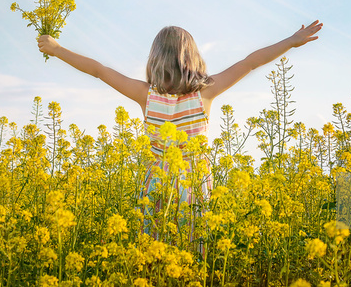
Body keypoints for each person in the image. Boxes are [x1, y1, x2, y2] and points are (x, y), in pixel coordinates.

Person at [37, 20, 322, 250]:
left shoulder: (145, 96)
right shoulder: (206, 92)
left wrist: (58, 49)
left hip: (156, 186)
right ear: (193, 57)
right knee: (190, 253)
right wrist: (291, 42)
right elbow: (250, 63)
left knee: (152, 253)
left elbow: (99, 71)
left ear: (155, 59)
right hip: (194, 186)